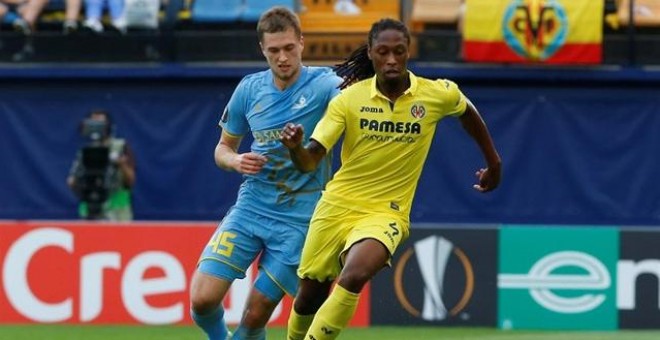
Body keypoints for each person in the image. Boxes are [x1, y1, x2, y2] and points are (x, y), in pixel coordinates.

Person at [280, 18, 502, 339]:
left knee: (354, 275)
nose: (392, 60)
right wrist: (294, 149)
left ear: (408, 51)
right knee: (310, 296)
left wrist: (493, 162)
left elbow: (465, 110)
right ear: (370, 53)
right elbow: (310, 158)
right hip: (336, 207)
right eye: (383, 52)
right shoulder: (348, 100)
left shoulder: (434, 94)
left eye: (399, 51)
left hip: (387, 211)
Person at [189, 6, 342, 340]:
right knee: (202, 300)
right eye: (274, 50)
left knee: (256, 313)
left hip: (300, 218)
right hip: (252, 207)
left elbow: (359, 100)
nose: (283, 57)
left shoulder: (326, 84)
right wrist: (235, 161)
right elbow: (222, 149)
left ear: (302, 42)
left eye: (289, 48)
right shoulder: (249, 89)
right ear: (263, 50)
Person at [67, 109, 136, 221]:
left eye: (100, 123)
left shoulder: (120, 146)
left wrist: (122, 165)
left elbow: (131, 181)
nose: (96, 127)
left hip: (116, 212)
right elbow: (72, 181)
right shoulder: (86, 151)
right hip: (90, 211)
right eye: (93, 123)